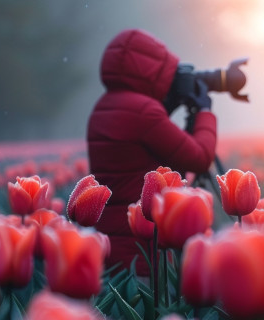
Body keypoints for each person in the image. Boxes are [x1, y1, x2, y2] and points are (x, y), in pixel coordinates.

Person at [87, 29, 216, 275]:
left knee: (116, 309)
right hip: (143, 246)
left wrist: (166, 107)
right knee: (148, 311)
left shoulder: (103, 107)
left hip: (108, 241)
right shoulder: (144, 112)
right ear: (153, 71)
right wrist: (204, 112)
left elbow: (141, 149)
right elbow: (199, 158)